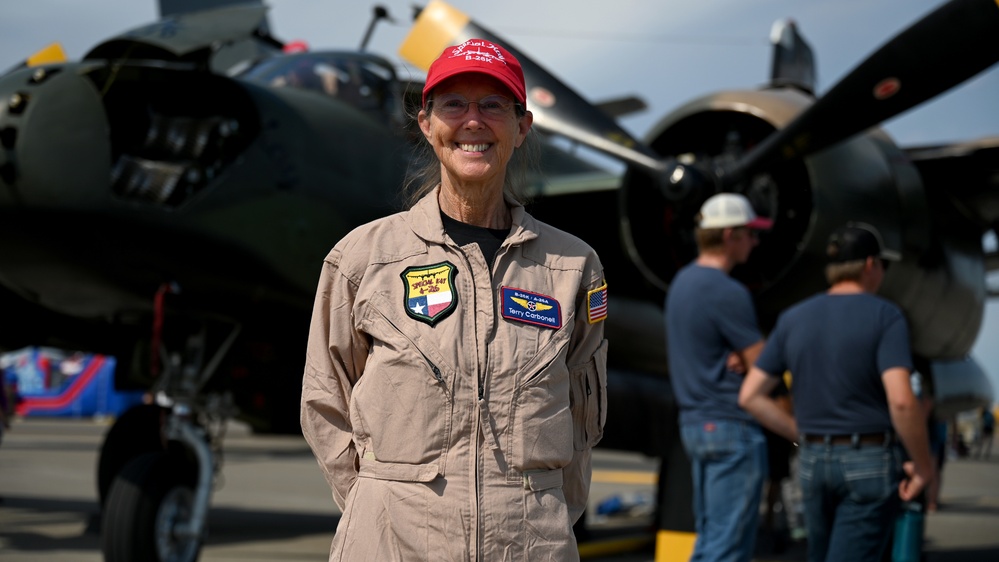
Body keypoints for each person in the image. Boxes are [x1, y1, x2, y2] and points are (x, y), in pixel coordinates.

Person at [300, 38, 609, 561]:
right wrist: (375, 504)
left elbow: (584, 418)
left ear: (522, 126)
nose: (473, 121)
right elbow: (324, 400)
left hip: (529, 546)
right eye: (453, 104)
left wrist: (541, 514)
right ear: (426, 123)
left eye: (492, 105)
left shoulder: (573, 267)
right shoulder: (361, 259)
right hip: (391, 544)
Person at [739, 222, 935, 562]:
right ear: (871, 265)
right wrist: (923, 465)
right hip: (868, 459)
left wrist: (800, 433)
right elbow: (902, 401)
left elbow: (751, 395)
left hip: (813, 459)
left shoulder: (793, 318)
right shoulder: (885, 316)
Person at [664, 192, 773, 562]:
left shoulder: (681, 284)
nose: (756, 243)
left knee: (711, 539)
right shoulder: (728, 291)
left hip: (696, 426)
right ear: (730, 236)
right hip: (732, 428)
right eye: (751, 234)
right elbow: (766, 366)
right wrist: (761, 354)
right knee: (728, 548)